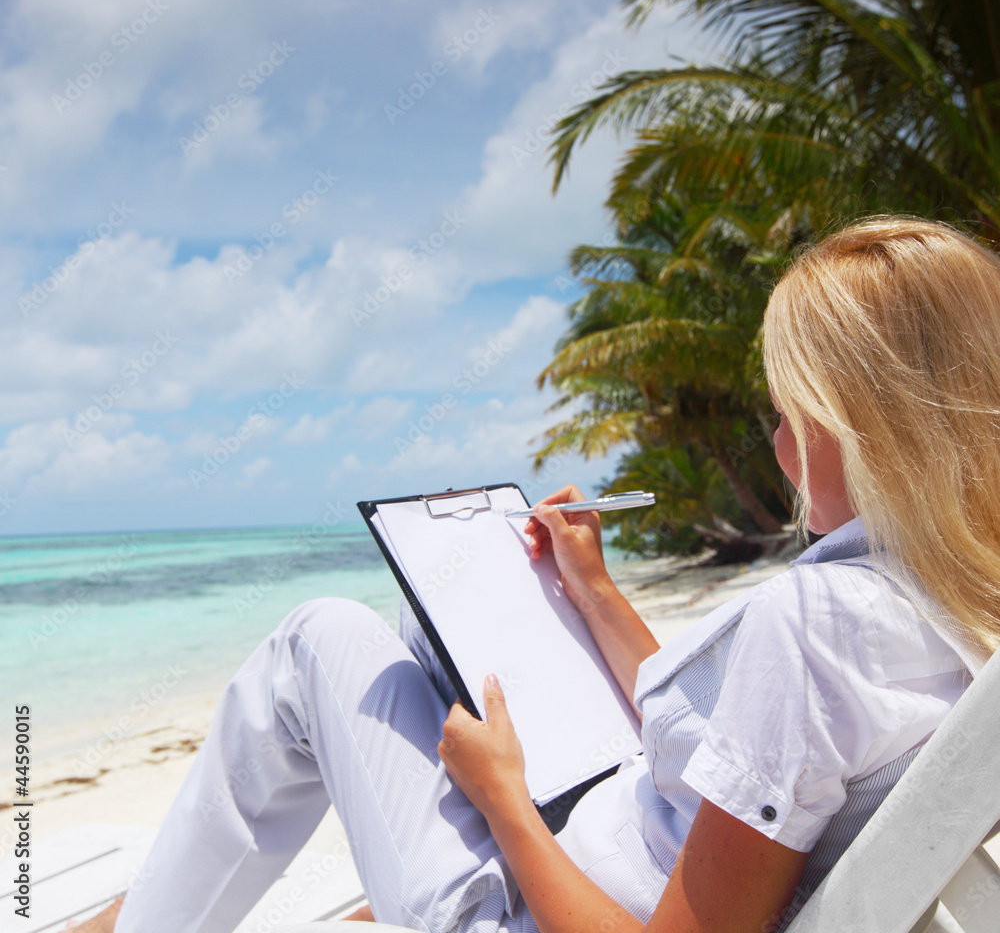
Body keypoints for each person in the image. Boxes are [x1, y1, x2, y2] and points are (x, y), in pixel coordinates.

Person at [79, 216, 998, 933]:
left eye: (788, 413)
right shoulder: (947, 596)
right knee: (425, 636)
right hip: (607, 842)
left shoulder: (819, 623)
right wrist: (591, 590)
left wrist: (504, 802)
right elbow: (752, 746)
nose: (779, 444)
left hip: (533, 903)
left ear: (863, 429)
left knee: (316, 639)